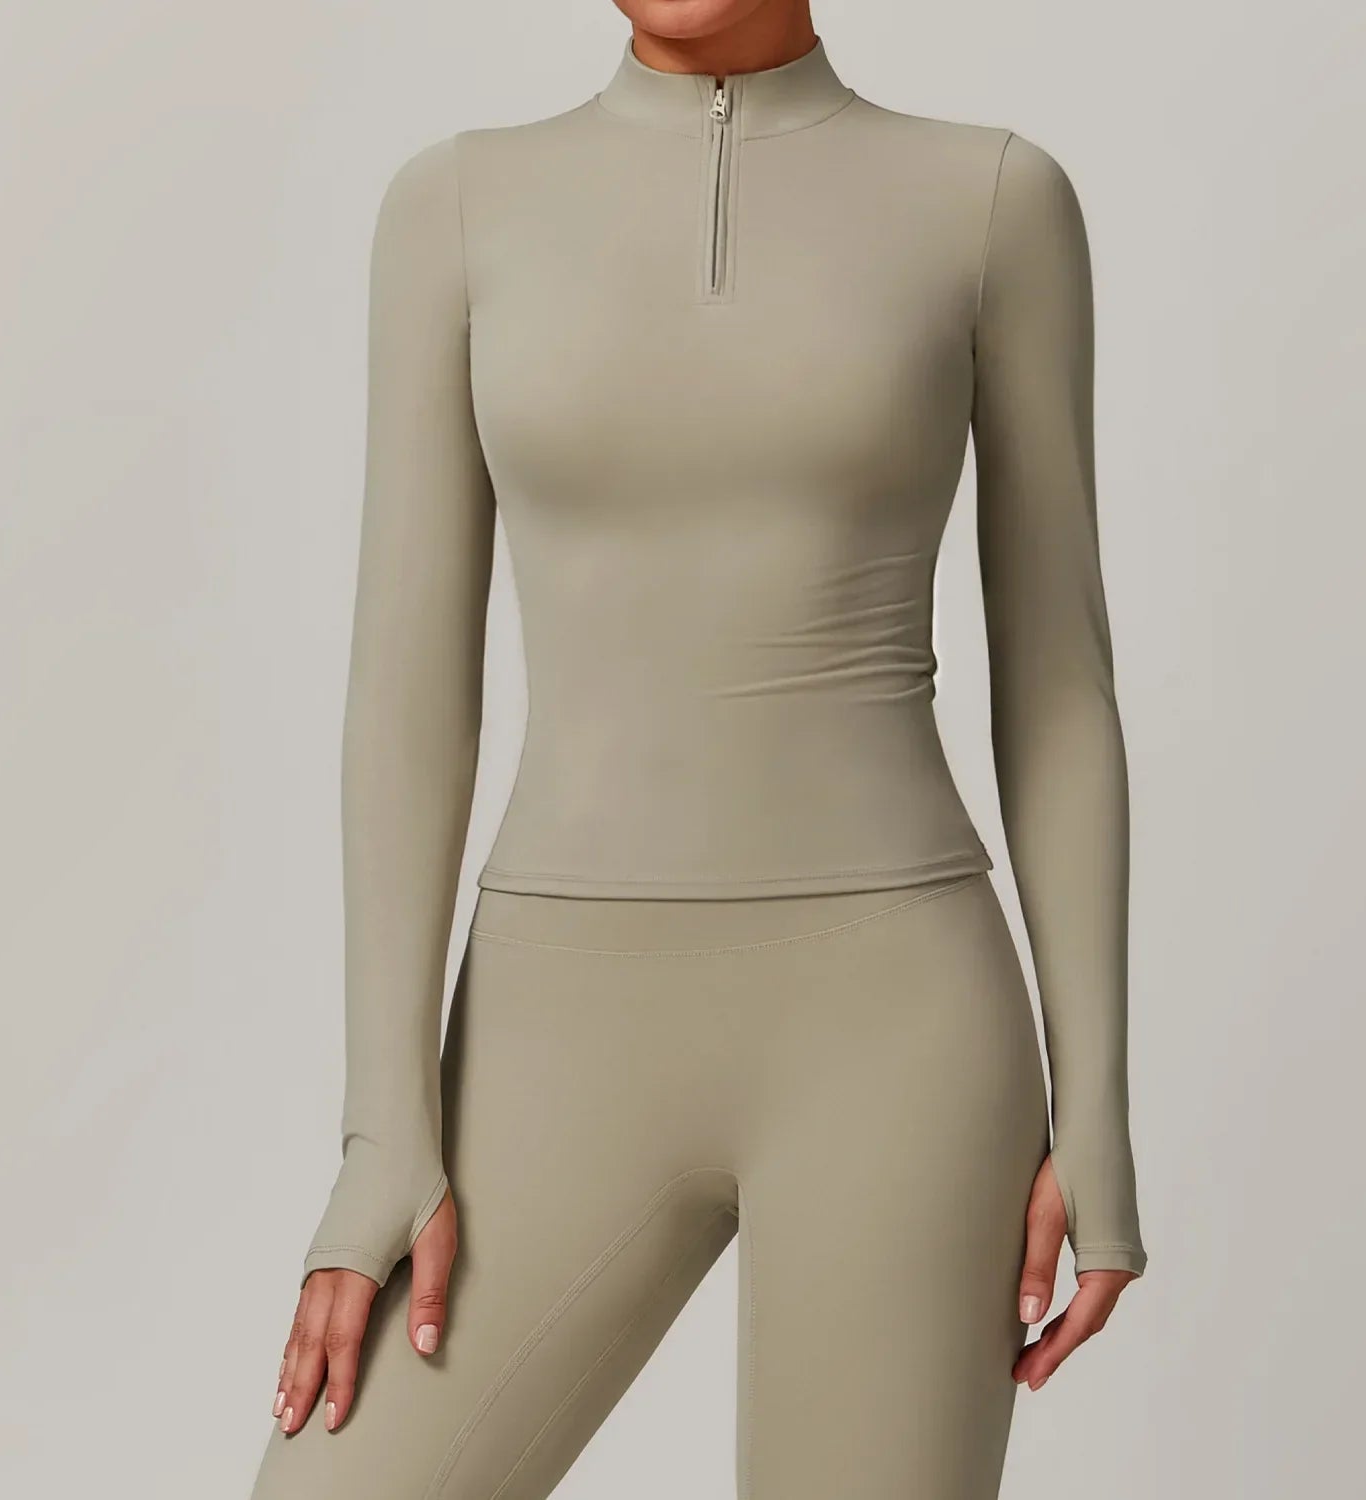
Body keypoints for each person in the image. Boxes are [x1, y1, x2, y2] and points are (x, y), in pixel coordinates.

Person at [250, 1, 1147, 1495]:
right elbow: (406, 691)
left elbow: (1060, 682)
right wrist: (381, 1133)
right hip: (548, 1033)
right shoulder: (456, 207)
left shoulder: (992, 200)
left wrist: (1096, 1109)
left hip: (896, 1035)